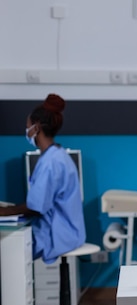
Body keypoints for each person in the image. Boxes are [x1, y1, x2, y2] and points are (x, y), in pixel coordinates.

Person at [0, 93, 85, 264]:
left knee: (10, 250)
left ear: (36, 128)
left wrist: (3, 211)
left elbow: (36, 207)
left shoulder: (50, 162)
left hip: (58, 235)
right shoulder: (58, 156)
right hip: (70, 231)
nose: (27, 131)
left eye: (28, 127)